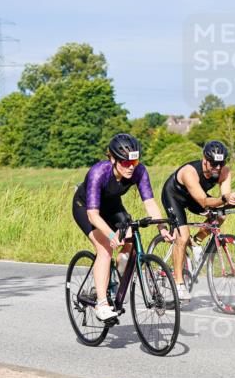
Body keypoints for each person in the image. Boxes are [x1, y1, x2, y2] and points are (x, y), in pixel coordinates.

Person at [72, 133, 173, 321]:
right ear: (112, 158)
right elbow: (93, 215)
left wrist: (162, 228)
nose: (130, 167)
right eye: (125, 163)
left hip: (112, 206)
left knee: (131, 238)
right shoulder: (98, 172)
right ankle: (101, 304)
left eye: (133, 162)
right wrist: (110, 235)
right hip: (85, 207)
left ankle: (115, 278)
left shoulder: (139, 170)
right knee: (104, 249)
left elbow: (149, 202)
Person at [160, 140, 235, 301]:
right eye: (213, 164)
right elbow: (204, 201)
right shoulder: (189, 172)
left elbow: (223, 197)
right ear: (204, 159)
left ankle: (196, 240)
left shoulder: (224, 171)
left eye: (221, 163)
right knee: (182, 237)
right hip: (174, 197)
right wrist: (224, 198)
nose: (217, 168)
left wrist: (233, 198)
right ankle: (178, 283)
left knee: (220, 215)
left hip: (195, 198)